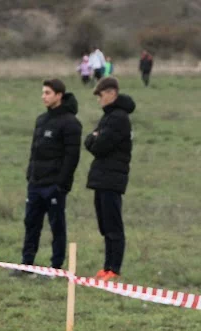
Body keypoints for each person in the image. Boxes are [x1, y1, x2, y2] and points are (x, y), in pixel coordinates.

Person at [19, 79, 81, 275]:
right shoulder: (41, 120)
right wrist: (31, 174)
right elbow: (33, 151)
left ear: (59, 95)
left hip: (54, 186)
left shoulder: (71, 123)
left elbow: (72, 157)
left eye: (47, 93)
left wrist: (61, 184)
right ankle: (26, 264)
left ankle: (56, 267)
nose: (43, 96)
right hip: (35, 184)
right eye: (43, 92)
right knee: (31, 223)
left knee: (57, 226)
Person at [85, 76, 135, 281]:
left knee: (113, 225)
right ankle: (106, 267)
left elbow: (100, 145)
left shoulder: (118, 118)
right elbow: (90, 140)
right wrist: (94, 138)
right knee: (105, 224)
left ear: (112, 93)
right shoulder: (108, 116)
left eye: (101, 95)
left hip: (112, 178)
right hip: (102, 177)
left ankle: (114, 268)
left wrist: (95, 138)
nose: (99, 99)